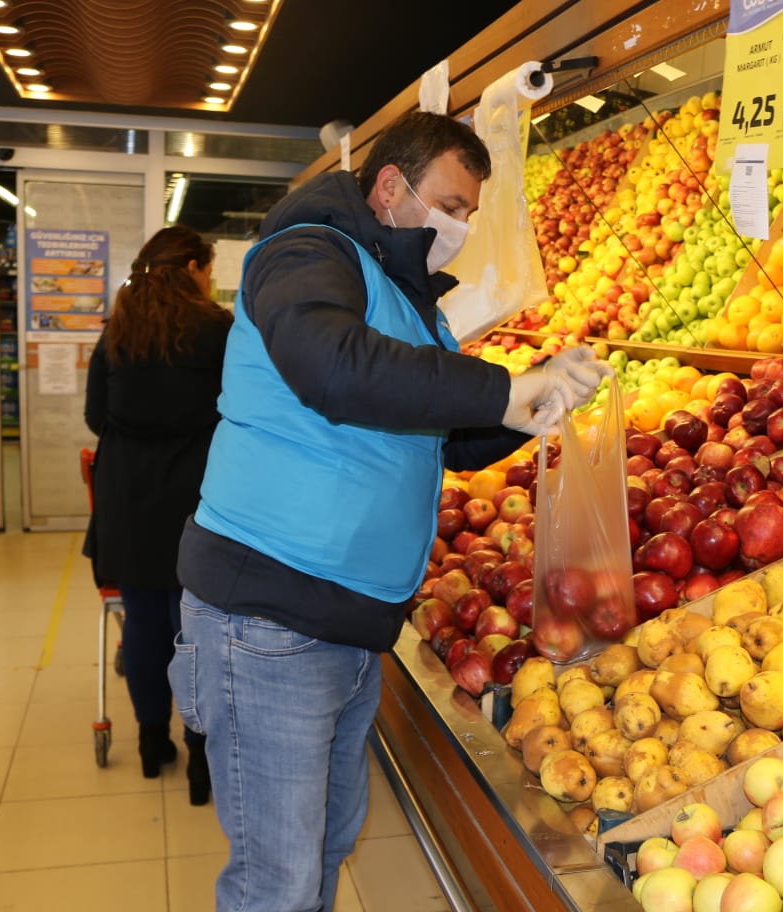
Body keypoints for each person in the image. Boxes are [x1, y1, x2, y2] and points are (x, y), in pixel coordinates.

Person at [170, 109, 605, 912]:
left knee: (325, 849)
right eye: (452, 206)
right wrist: (506, 389)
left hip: (344, 630)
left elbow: (435, 433)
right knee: (279, 880)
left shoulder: (406, 297)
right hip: (267, 621)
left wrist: (537, 399)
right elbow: (332, 367)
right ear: (391, 187)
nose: (460, 227)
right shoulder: (307, 251)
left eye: (471, 213)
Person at [84, 225, 233, 806]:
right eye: (209, 270)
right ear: (193, 267)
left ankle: (152, 742)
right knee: (196, 631)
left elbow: (98, 415)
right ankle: (201, 757)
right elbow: (239, 411)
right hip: (199, 500)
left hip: (129, 502)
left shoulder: (117, 329)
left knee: (145, 625)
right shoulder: (219, 331)